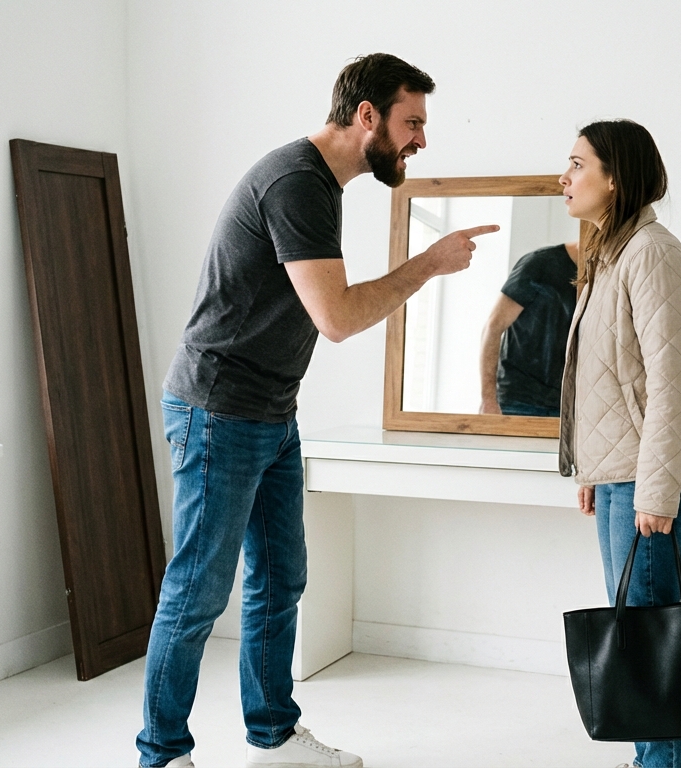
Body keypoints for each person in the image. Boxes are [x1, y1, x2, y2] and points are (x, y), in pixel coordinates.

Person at [137, 54, 498, 768]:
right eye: (412, 123)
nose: (421, 139)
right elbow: (334, 317)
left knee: (281, 578)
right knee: (198, 589)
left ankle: (272, 738)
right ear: (367, 116)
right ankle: (161, 755)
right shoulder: (297, 182)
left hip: (270, 413)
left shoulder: (321, 184)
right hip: (218, 411)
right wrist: (426, 266)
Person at [556, 120, 681, 768]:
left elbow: (671, 384)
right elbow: (608, 378)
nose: (564, 177)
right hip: (622, 474)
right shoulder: (611, 255)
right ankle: (648, 762)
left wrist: (656, 489)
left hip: (651, 478)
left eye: (577, 164)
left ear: (615, 177)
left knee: (654, 641)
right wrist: (592, 469)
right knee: (638, 635)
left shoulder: (651, 252)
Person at [477, 241, 579, 417]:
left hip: (570, 406)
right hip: (519, 401)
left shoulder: (605, 273)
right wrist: (488, 400)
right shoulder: (540, 263)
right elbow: (493, 328)